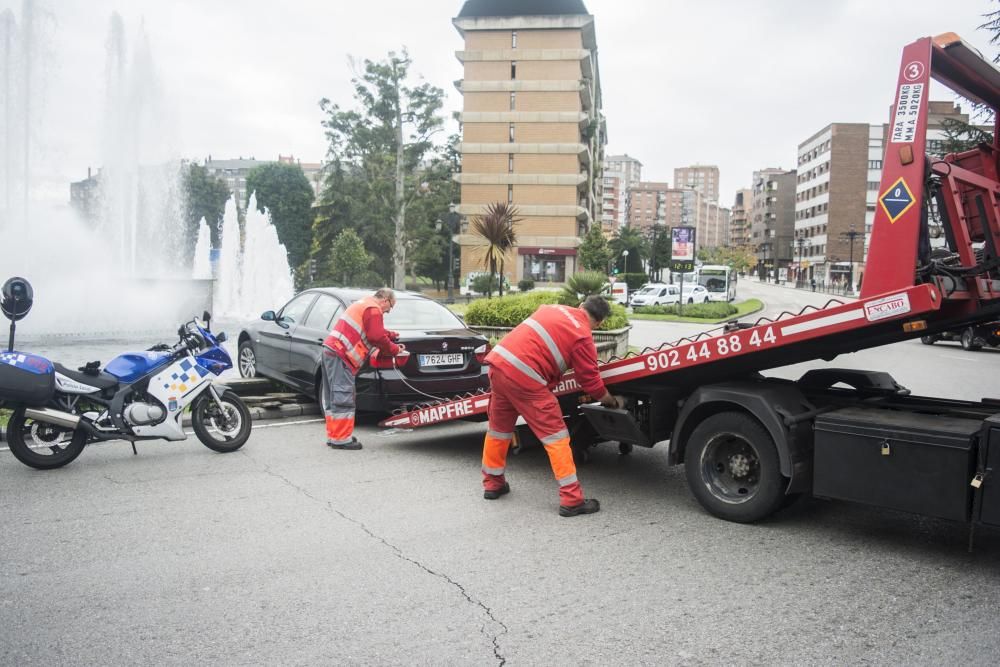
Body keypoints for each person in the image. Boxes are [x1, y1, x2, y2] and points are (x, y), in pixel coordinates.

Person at [480, 295, 619, 517]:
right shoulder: (582, 336)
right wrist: (609, 400)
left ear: (580, 306)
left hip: (498, 366)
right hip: (526, 378)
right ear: (599, 322)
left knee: (499, 430)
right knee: (556, 437)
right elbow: (590, 381)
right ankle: (572, 500)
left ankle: (493, 484)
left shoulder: (551, 308)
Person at [321, 288, 401, 450]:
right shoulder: (374, 310)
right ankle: (342, 439)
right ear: (385, 300)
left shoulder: (364, 304)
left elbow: (375, 331)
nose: (389, 311)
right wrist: (394, 349)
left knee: (333, 396)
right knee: (343, 396)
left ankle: (335, 435)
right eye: (390, 307)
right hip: (342, 354)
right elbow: (376, 336)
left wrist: (391, 335)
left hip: (331, 350)